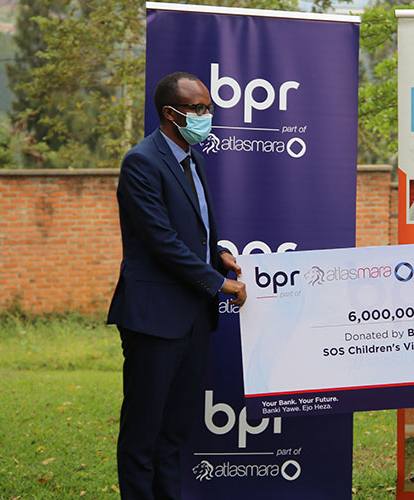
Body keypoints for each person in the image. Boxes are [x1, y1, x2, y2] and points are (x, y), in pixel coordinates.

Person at [107, 72, 247, 500]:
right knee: (143, 432)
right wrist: (218, 283)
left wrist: (218, 254)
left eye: (209, 108)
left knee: (174, 433)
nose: (207, 116)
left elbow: (194, 230)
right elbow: (161, 240)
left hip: (193, 317)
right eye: (199, 108)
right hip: (155, 318)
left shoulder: (192, 158)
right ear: (171, 113)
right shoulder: (142, 162)